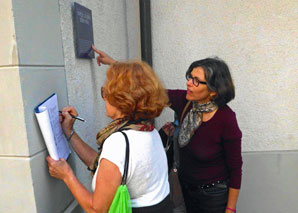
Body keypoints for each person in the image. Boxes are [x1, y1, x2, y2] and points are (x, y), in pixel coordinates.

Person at [92, 47, 243, 213]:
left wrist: (230, 208)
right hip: (185, 188)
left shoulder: (226, 119)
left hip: (213, 195)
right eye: (190, 77)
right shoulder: (184, 102)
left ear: (213, 91)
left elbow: (235, 168)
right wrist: (114, 64)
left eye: (196, 81)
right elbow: (144, 88)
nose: (189, 83)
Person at [46, 60, 173, 212]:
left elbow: (97, 209)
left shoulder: (120, 142)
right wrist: (70, 133)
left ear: (121, 98)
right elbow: (106, 165)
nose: (104, 98)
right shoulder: (148, 130)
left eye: (106, 92)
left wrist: (67, 175)